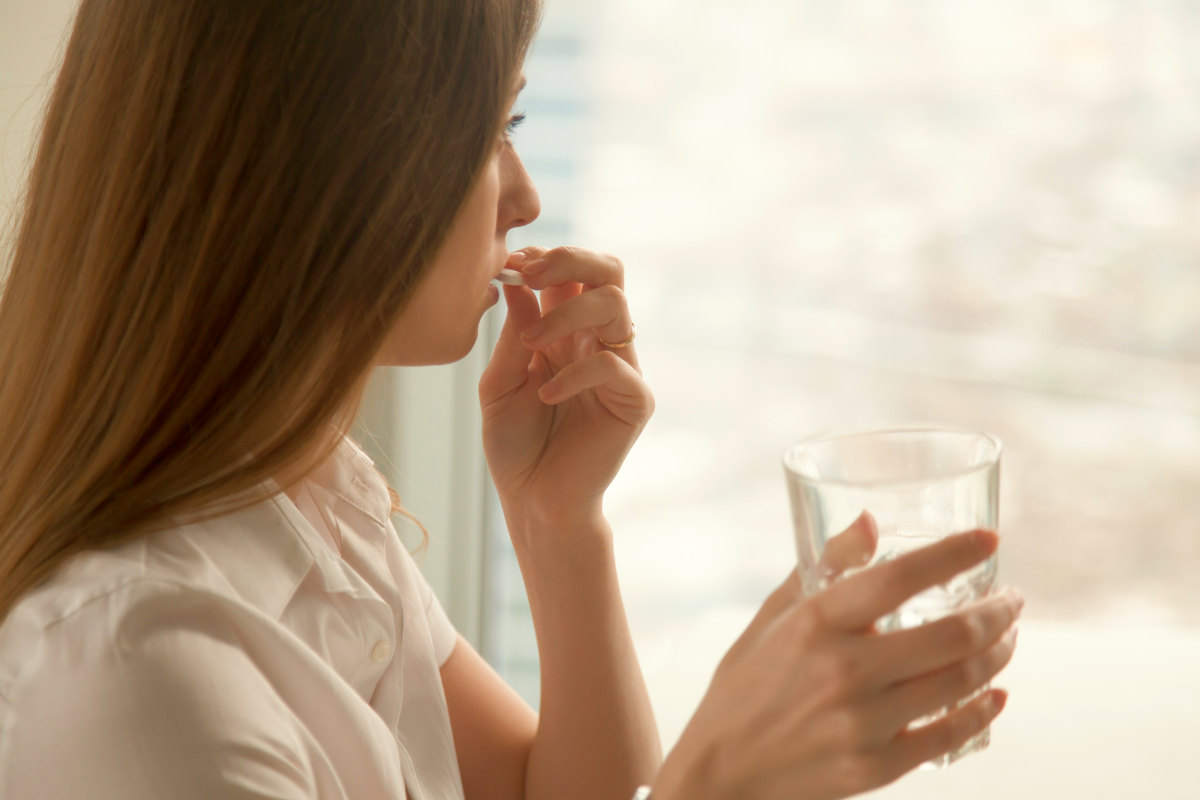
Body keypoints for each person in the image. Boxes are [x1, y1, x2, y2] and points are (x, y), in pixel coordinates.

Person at [0, 1, 1023, 798]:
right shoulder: (140, 678)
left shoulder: (297, 497)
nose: (525, 195)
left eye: (517, 121)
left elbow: (557, 793)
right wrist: (726, 774)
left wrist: (558, 520)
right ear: (327, 166)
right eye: (489, 131)